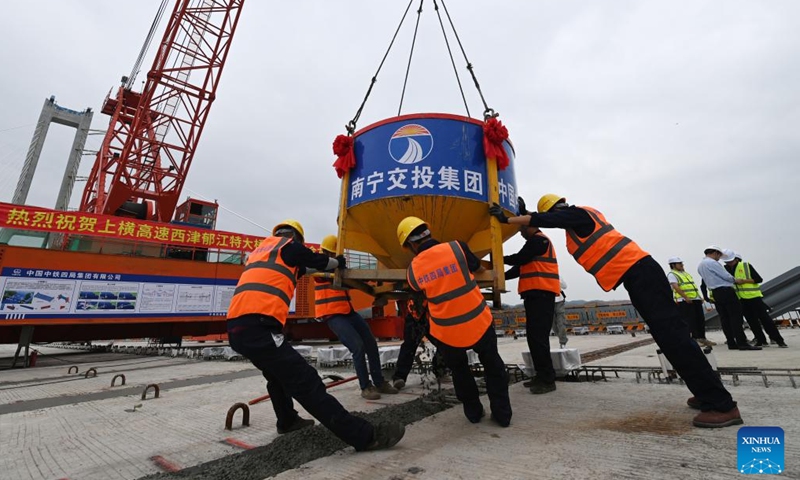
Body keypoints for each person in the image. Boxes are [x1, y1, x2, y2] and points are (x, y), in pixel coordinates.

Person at [490, 195, 743, 428]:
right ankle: (704, 393)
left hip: (641, 273)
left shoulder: (579, 214)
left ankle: (721, 405)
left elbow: (548, 220)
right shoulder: (576, 225)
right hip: (637, 276)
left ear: (556, 210)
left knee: (675, 338)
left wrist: (509, 219)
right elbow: (549, 220)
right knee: (669, 339)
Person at [226, 220, 405, 451]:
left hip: (237, 328)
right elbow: (317, 261)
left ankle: (288, 421)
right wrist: (337, 262)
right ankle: (365, 436)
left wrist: (328, 267)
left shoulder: (261, 253)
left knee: (276, 376)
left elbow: (305, 268)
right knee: (307, 381)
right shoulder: (289, 247)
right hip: (259, 327)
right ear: (296, 238)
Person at [397, 216, 512, 427]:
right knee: (493, 365)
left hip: (448, 332)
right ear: (428, 233)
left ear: (411, 245)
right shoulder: (457, 248)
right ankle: (503, 415)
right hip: (479, 322)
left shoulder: (413, 270)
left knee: (460, 372)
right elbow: (477, 269)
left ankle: (474, 413)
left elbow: (417, 294)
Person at [316, 235, 400, 399]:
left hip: (348, 312)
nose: (333, 257)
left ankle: (379, 382)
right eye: (332, 254)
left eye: (335, 255)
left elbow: (350, 282)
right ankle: (366, 387)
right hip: (332, 315)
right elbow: (321, 272)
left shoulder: (338, 269)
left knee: (370, 343)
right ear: (326, 252)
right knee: (357, 346)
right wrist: (336, 264)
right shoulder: (319, 265)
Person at [502, 197, 561, 394]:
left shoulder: (539, 241)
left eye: (521, 230)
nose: (520, 234)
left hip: (542, 295)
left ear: (530, 227)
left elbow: (518, 259)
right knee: (534, 338)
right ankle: (541, 375)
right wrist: (495, 275)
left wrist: (497, 258)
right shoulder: (535, 243)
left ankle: (547, 379)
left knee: (538, 338)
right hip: (536, 296)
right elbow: (517, 269)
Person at [697, 246, 760, 352]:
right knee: (736, 317)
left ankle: (731, 342)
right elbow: (725, 276)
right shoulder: (713, 263)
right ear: (715, 253)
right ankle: (742, 343)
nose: (719, 258)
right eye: (719, 255)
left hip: (716, 293)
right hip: (726, 291)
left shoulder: (700, 265)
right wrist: (736, 280)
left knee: (725, 319)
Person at [724, 252, 787, 348]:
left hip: (754, 297)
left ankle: (778, 340)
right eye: (727, 262)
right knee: (752, 321)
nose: (729, 263)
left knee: (765, 319)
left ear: (736, 259)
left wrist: (744, 281)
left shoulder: (746, 265)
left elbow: (758, 279)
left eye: (730, 261)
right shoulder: (726, 269)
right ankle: (761, 340)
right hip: (741, 298)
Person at [666, 257, 715, 347]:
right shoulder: (672, 274)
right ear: (673, 265)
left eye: (682, 263)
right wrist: (685, 297)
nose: (682, 265)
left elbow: (693, 286)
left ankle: (702, 338)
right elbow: (676, 287)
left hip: (695, 299)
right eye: (679, 263)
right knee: (690, 320)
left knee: (700, 319)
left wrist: (699, 297)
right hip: (684, 301)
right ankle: (694, 339)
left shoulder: (685, 274)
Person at [553, 279, 569, 349]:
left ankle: (563, 342)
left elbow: (565, 286)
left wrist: (557, 278)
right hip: (547, 302)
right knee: (553, 325)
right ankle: (561, 338)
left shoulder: (557, 275)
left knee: (561, 323)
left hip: (559, 301)